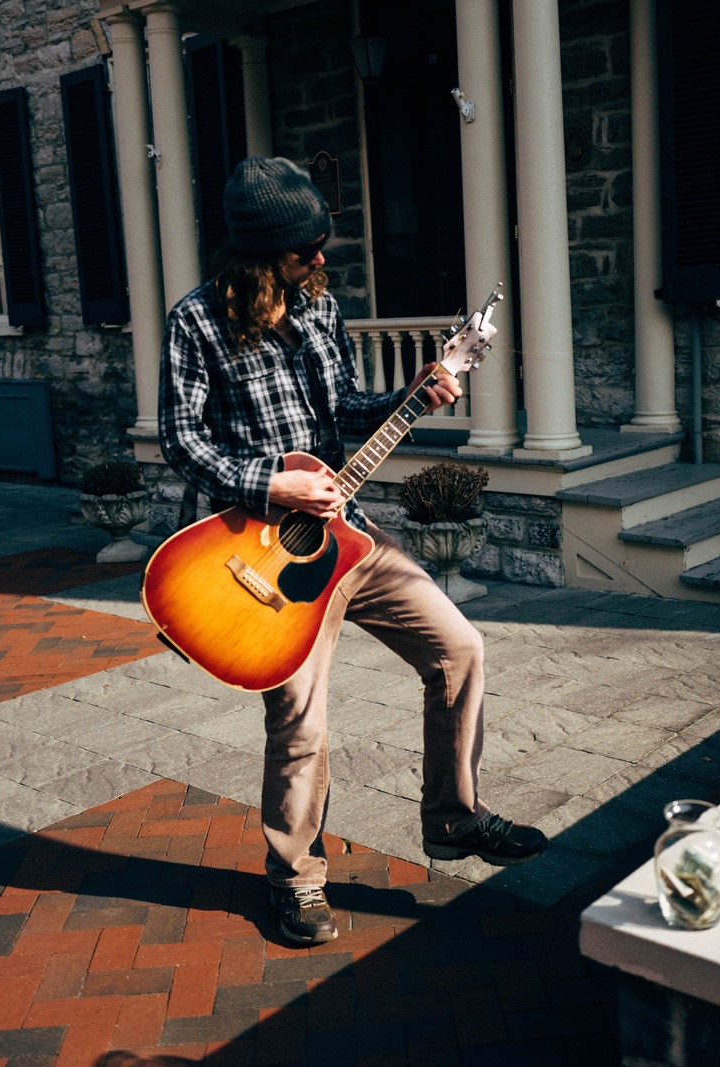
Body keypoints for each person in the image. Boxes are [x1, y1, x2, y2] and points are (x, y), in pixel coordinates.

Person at [158, 156, 545, 946]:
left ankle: (452, 816)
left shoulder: (321, 311)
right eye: (307, 251)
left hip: (349, 540)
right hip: (259, 554)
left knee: (460, 648)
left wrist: (420, 391)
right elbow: (181, 439)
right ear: (265, 254)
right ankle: (296, 880)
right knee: (300, 721)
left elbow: (343, 409)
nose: (322, 261)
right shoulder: (195, 322)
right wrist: (274, 483)